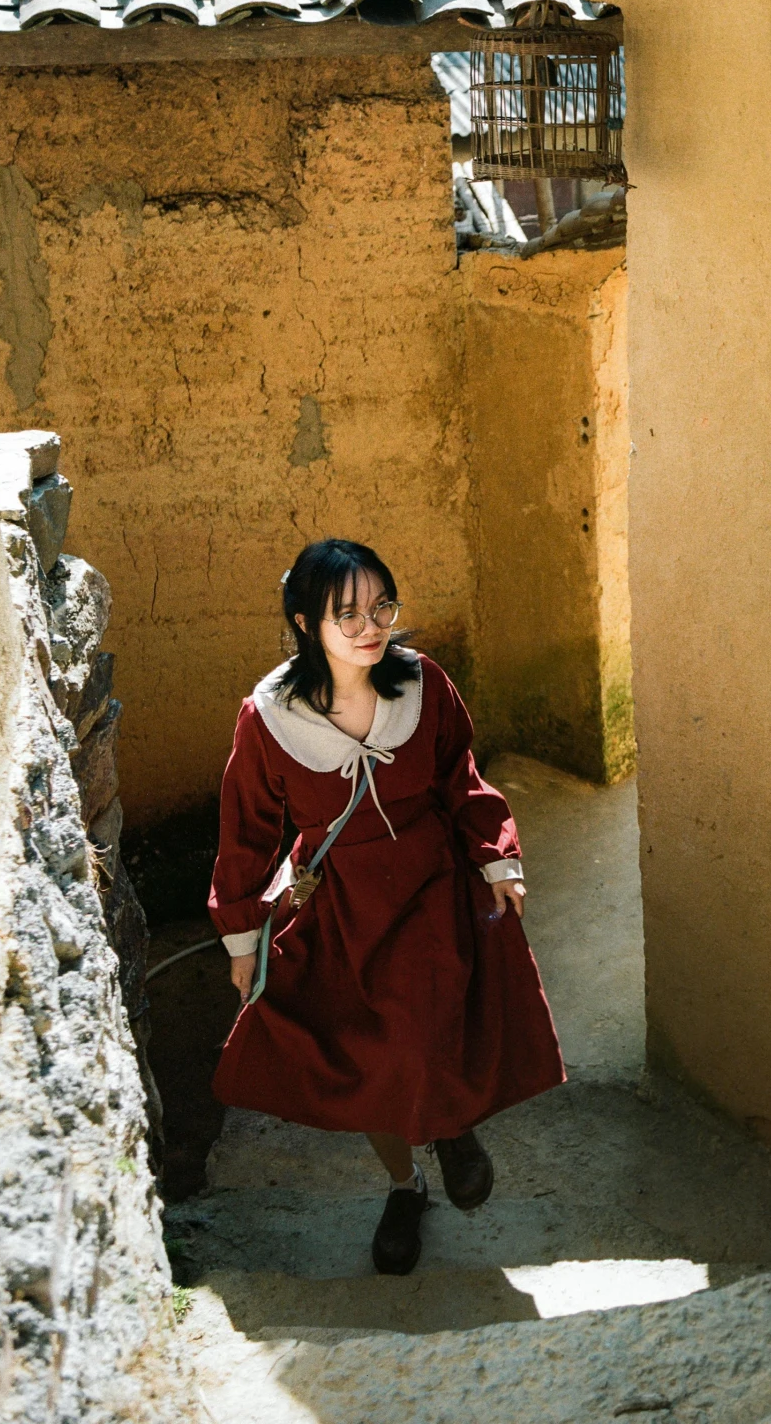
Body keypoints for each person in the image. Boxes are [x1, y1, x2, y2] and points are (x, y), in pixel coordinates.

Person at [208, 538, 564, 1274]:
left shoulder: (423, 683)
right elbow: (244, 834)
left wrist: (496, 854)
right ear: (306, 623)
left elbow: (461, 774)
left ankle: (450, 1126)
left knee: (421, 1031)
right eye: (348, 613)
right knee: (364, 1057)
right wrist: (243, 941)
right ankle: (406, 1185)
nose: (372, 626)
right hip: (340, 903)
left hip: (430, 887)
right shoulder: (269, 716)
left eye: (383, 607)